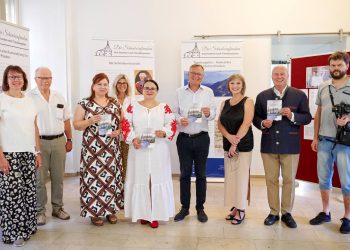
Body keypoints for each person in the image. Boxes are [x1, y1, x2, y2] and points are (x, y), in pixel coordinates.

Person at [253, 65, 312, 228]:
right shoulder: (262, 96)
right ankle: (273, 212)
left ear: (287, 76)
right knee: (271, 180)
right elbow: (255, 118)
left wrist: (292, 115)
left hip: (291, 145)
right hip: (268, 144)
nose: (279, 77)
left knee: (289, 181)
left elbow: (307, 117)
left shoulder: (299, 95)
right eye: (276, 74)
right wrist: (262, 123)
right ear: (272, 76)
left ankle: (286, 212)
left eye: (282, 74)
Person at [121, 79, 176, 228]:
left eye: (152, 88)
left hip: (159, 150)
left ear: (157, 91)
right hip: (139, 149)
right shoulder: (132, 107)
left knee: (155, 180)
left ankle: (155, 215)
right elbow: (126, 125)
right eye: (146, 88)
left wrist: (163, 132)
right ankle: (143, 213)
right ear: (142, 90)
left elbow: (171, 124)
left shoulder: (164, 107)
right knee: (141, 179)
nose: (149, 90)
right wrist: (133, 139)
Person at [73, 73, 123, 226]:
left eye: (105, 84)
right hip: (92, 150)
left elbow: (122, 124)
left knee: (110, 179)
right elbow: (76, 125)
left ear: (108, 87)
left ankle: (110, 210)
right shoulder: (84, 103)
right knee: (93, 179)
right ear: (93, 86)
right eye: (99, 84)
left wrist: (118, 131)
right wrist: (89, 121)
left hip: (111, 148)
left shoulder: (115, 103)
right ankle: (94, 212)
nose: (102, 87)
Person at [0, 65, 42, 247]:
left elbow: (34, 127)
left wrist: (37, 152)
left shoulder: (30, 101)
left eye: (19, 77)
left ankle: (27, 228)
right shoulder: (1, 100)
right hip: (9, 154)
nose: (16, 80)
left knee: (28, 193)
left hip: (28, 153)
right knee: (12, 195)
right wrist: (1, 156)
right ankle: (14, 233)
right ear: (6, 80)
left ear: (24, 79)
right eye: (11, 77)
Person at [310, 51, 350, 234]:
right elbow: (318, 113)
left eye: (339, 65)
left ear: (346, 66)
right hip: (324, 140)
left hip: (345, 142)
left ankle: (347, 217)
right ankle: (325, 212)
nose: (336, 68)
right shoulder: (323, 87)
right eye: (333, 66)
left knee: (346, 182)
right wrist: (315, 137)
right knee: (324, 178)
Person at [27, 67, 72, 226]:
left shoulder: (59, 96)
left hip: (59, 141)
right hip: (39, 143)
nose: (45, 80)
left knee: (58, 178)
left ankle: (58, 208)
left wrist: (69, 139)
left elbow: (66, 120)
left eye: (48, 78)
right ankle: (40, 211)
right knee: (39, 179)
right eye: (42, 78)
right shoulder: (28, 97)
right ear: (35, 79)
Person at [173, 64, 216, 223]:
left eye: (199, 74)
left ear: (203, 77)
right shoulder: (179, 92)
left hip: (202, 138)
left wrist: (209, 113)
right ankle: (184, 208)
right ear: (188, 74)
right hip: (184, 138)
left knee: (201, 175)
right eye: (193, 73)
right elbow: (174, 113)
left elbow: (213, 114)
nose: (196, 76)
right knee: (184, 175)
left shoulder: (209, 92)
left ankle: (200, 208)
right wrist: (179, 120)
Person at [218, 74, 254, 225]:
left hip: (243, 145)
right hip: (228, 144)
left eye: (238, 83)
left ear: (242, 85)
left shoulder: (248, 101)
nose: (235, 86)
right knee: (232, 177)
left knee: (242, 177)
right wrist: (228, 137)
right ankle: (235, 207)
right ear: (228, 86)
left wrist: (235, 142)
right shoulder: (224, 103)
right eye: (232, 83)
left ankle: (241, 210)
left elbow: (246, 124)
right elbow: (219, 123)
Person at [112, 74, 132, 181]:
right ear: (115, 85)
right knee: (114, 164)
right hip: (112, 138)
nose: (122, 85)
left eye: (124, 83)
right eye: (119, 83)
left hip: (126, 138)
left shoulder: (132, 101)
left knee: (126, 164)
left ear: (127, 85)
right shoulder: (110, 100)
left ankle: (125, 192)